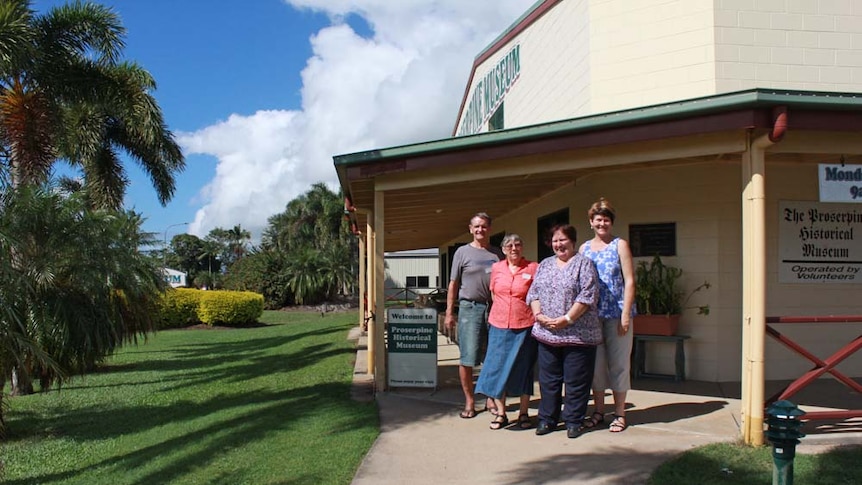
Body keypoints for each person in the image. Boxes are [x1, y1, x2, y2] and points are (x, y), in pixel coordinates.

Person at [526, 224, 601, 438]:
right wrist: (539, 316)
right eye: (555, 240)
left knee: (576, 380)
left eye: (562, 240)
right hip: (547, 332)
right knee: (549, 379)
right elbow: (534, 293)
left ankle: (573, 421)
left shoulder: (584, 264)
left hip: (578, 333)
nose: (558, 244)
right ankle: (547, 419)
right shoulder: (545, 265)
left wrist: (567, 319)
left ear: (573, 241)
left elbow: (587, 296)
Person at [579, 198, 636, 433]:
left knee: (619, 364)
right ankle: (599, 411)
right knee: (596, 366)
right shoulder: (583, 249)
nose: (602, 223)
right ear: (591, 222)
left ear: (611, 223)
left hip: (617, 315)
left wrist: (625, 315)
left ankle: (620, 413)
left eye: (606, 220)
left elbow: (630, 280)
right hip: (591, 317)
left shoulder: (620, 245)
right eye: (598, 219)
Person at [475, 234, 539, 430]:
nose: (514, 248)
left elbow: (537, 295)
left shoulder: (533, 267)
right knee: (498, 368)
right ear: (503, 250)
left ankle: (523, 413)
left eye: (517, 245)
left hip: (525, 325)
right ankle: (501, 414)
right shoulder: (496, 268)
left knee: (524, 369)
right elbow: (494, 293)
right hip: (499, 324)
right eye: (509, 245)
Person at [445, 212, 504, 419]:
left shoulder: (497, 253)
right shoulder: (462, 252)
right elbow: (453, 283)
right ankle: (470, 400)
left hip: (493, 309)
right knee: (468, 357)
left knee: (492, 356)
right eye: (477, 226)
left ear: (490, 228)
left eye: (484, 226)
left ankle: (489, 396)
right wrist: (449, 312)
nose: (481, 230)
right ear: (471, 229)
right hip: (469, 308)